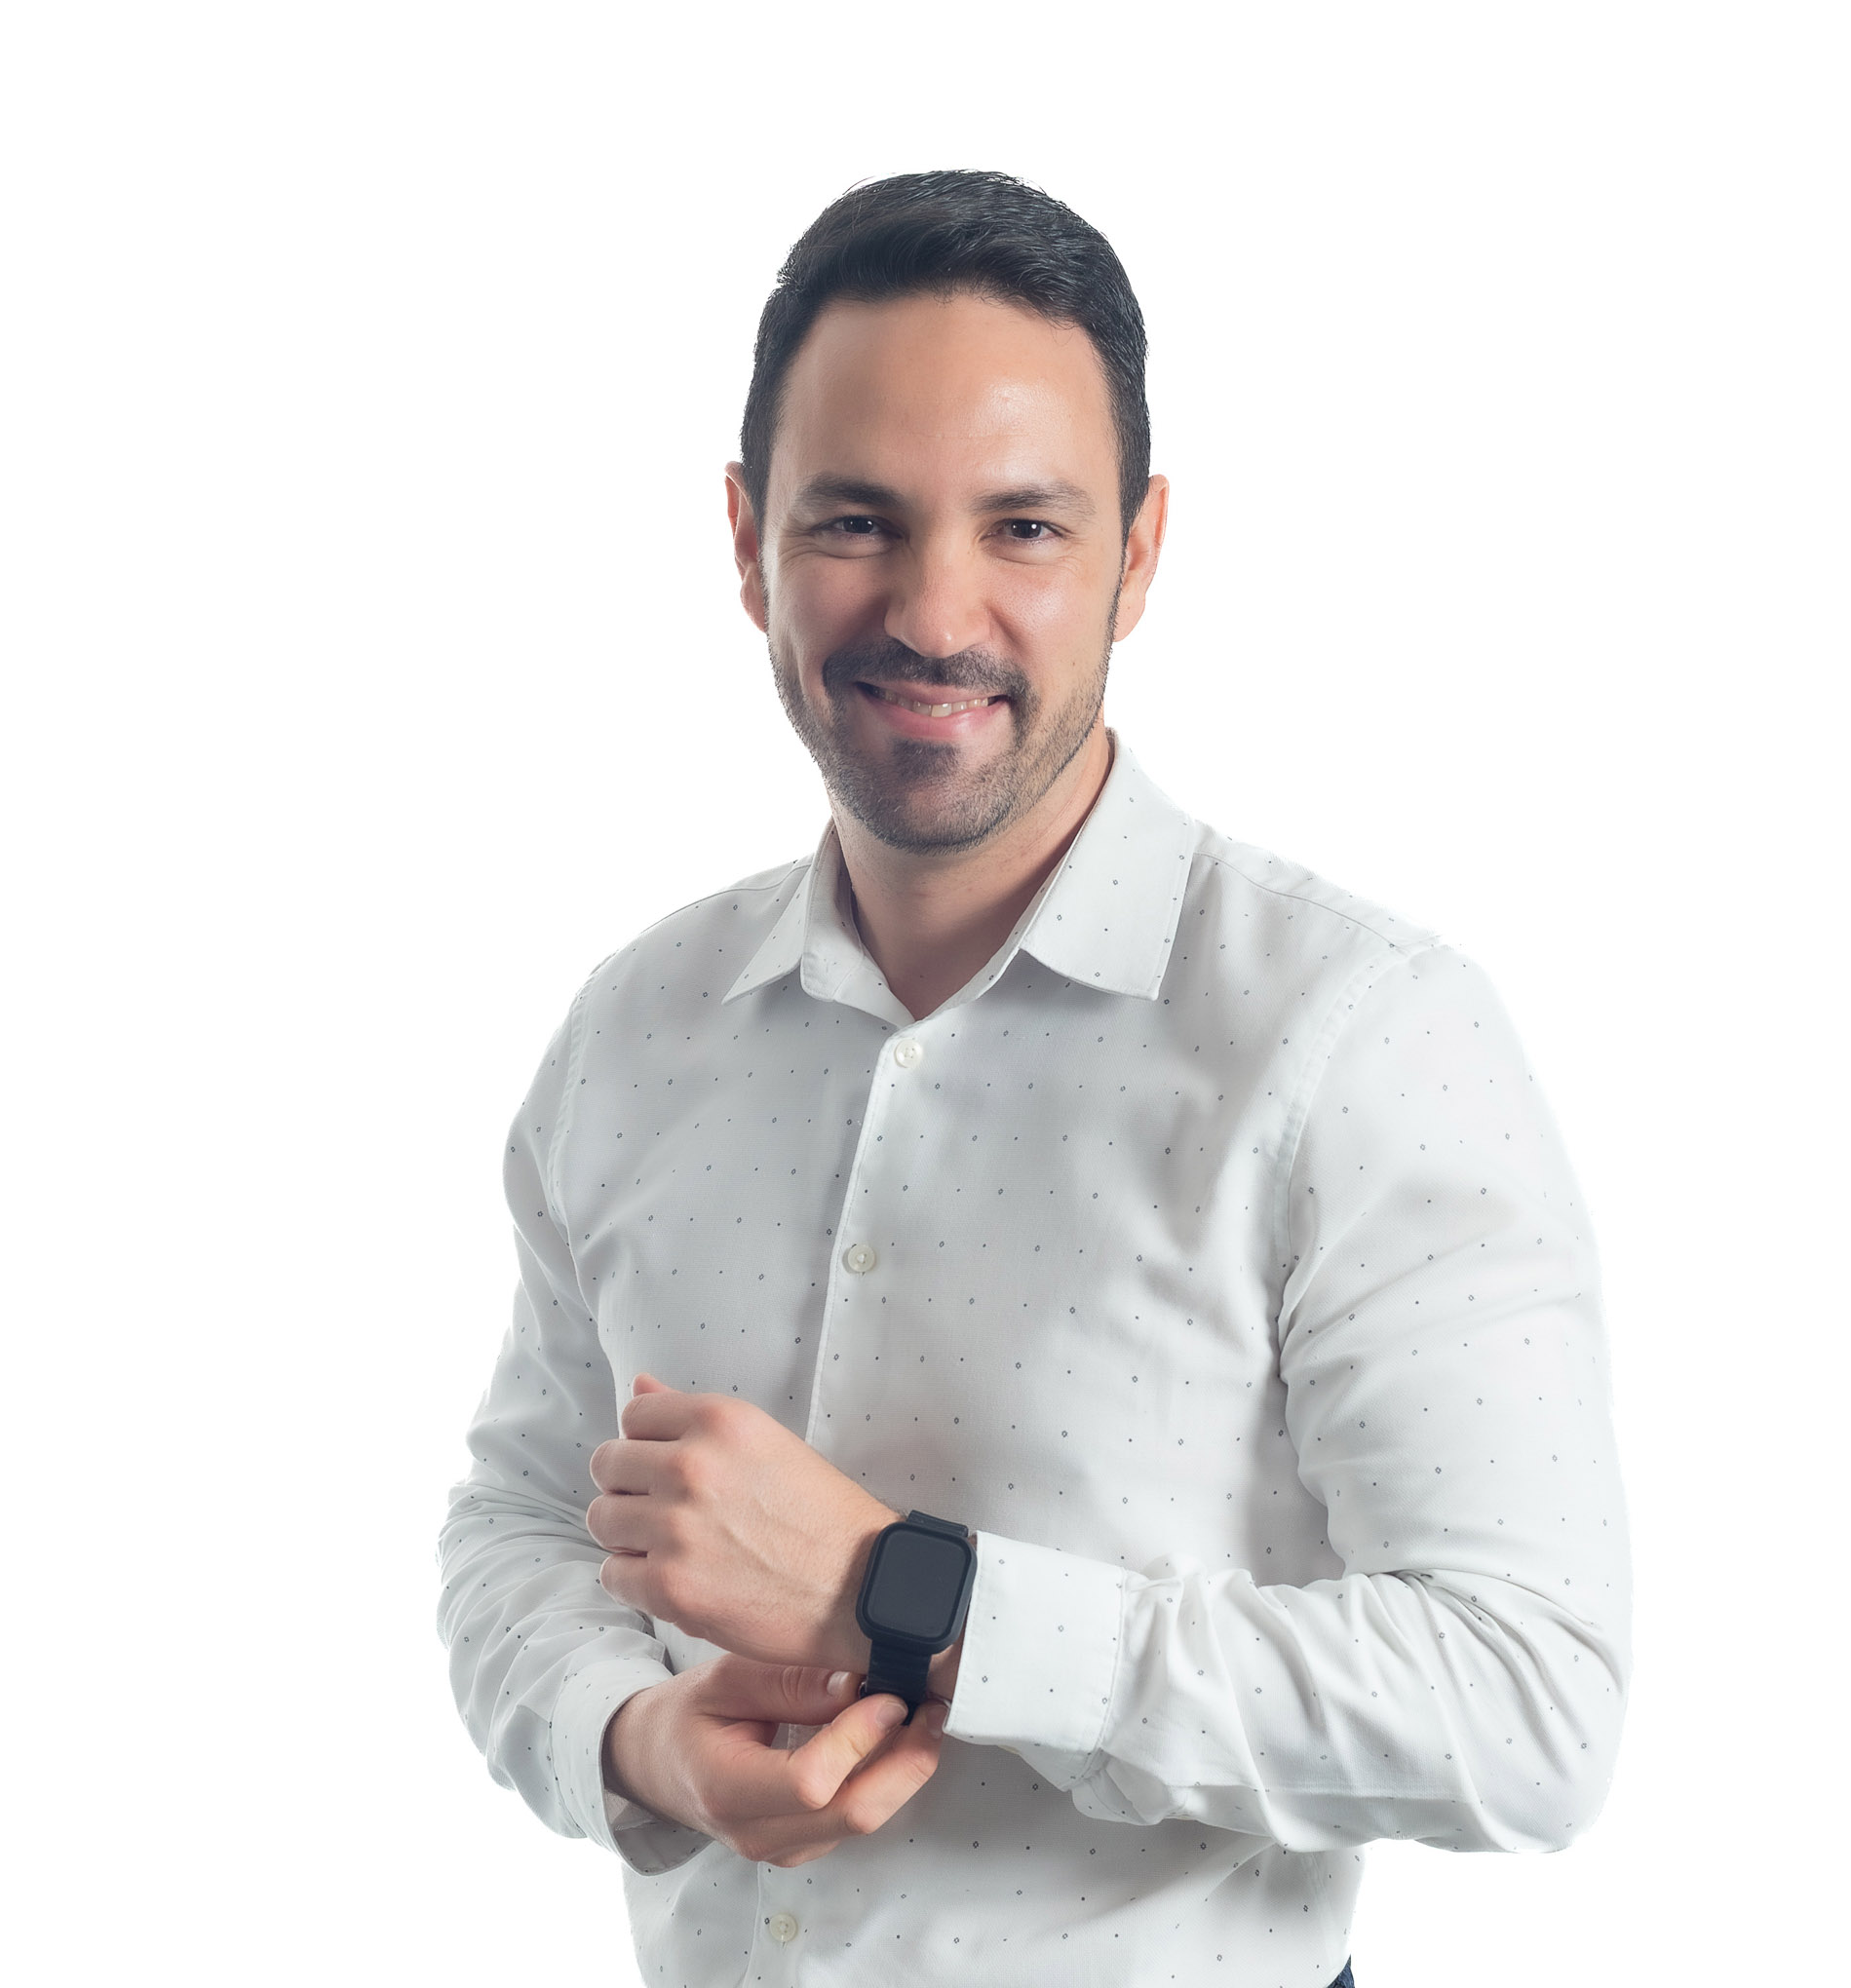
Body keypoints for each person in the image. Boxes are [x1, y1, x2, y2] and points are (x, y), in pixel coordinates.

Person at [436, 169, 1632, 1986]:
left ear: (1139, 553)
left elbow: (1532, 1703)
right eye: (857, 519)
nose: (935, 611)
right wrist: (635, 1742)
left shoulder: (1365, 1041)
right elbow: (521, 1523)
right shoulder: (632, 1030)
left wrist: (905, 1597)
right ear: (746, 537)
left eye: (1024, 528)